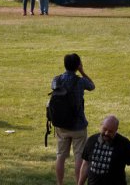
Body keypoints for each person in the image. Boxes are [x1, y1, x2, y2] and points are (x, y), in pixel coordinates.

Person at [52, 53, 95, 185]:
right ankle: (79, 183)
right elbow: (92, 86)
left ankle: (60, 183)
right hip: (78, 125)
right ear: (78, 65)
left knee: (60, 156)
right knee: (79, 158)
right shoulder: (80, 81)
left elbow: (53, 88)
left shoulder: (56, 79)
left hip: (61, 124)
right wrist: (82, 71)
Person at [78, 115, 130, 185]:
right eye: (104, 129)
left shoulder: (124, 144)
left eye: (110, 131)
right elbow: (85, 165)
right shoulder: (91, 141)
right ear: (101, 126)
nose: (106, 133)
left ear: (116, 130)